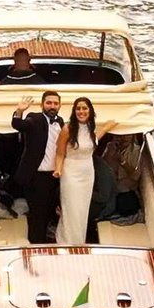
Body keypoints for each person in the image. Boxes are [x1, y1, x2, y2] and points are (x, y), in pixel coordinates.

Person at [12, 92, 64, 242]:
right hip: (36, 176)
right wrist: (19, 111)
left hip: (54, 176)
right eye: (49, 103)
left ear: (59, 105)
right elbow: (19, 125)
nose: (52, 106)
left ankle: (45, 239)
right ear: (42, 105)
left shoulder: (61, 122)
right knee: (37, 214)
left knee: (49, 211)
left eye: (55, 103)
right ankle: (36, 244)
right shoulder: (34, 119)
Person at [54, 97, 100, 248]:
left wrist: (113, 124)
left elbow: (97, 138)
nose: (81, 111)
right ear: (74, 111)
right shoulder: (67, 129)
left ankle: (80, 242)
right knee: (71, 208)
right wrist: (58, 169)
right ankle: (67, 242)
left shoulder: (92, 127)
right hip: (71, 172)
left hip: (87, 172)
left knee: (82, 209)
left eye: (84, 108)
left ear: (90, 111)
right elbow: (60, 152)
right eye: (78, 108)